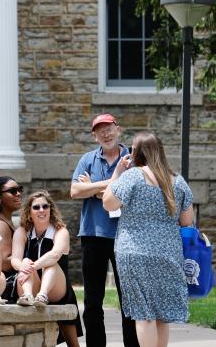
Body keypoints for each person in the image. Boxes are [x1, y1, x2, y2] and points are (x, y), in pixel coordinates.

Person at [103, 132, 194, 347]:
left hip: (134, 252)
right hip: (168, 254)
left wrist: (117, 173)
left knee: (144, 314)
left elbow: (108, 203)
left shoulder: (132, 176)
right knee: (163, 313)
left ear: (136, 153)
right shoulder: (177, 181)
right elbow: (187, 219)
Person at [70, 113, 138, 347]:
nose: (106, 134)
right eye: (100, 131)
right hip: (93, 235)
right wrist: (112, 185)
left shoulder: (134, 159)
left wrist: (93, 189)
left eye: (109, 128)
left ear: (118, 129)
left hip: (126, 236)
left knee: (128, 299)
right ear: (94, 136)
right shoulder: (87, 159)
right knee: (92, 302)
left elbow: (136, 194)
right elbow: (75, 192)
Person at [12, 190, 83, 347]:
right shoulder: (22, 232)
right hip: (29, 284)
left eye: (45, 206)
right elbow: (15, 260)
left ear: (51, 209)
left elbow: (56, 254)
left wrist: (32, 266)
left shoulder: (60, 231)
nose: (42, 210)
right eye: (36, 207)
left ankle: (42, 296)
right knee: (24, 260)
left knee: (50, 263)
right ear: (29, 212)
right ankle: (29, 297)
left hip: (57, 288)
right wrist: (24, 266)